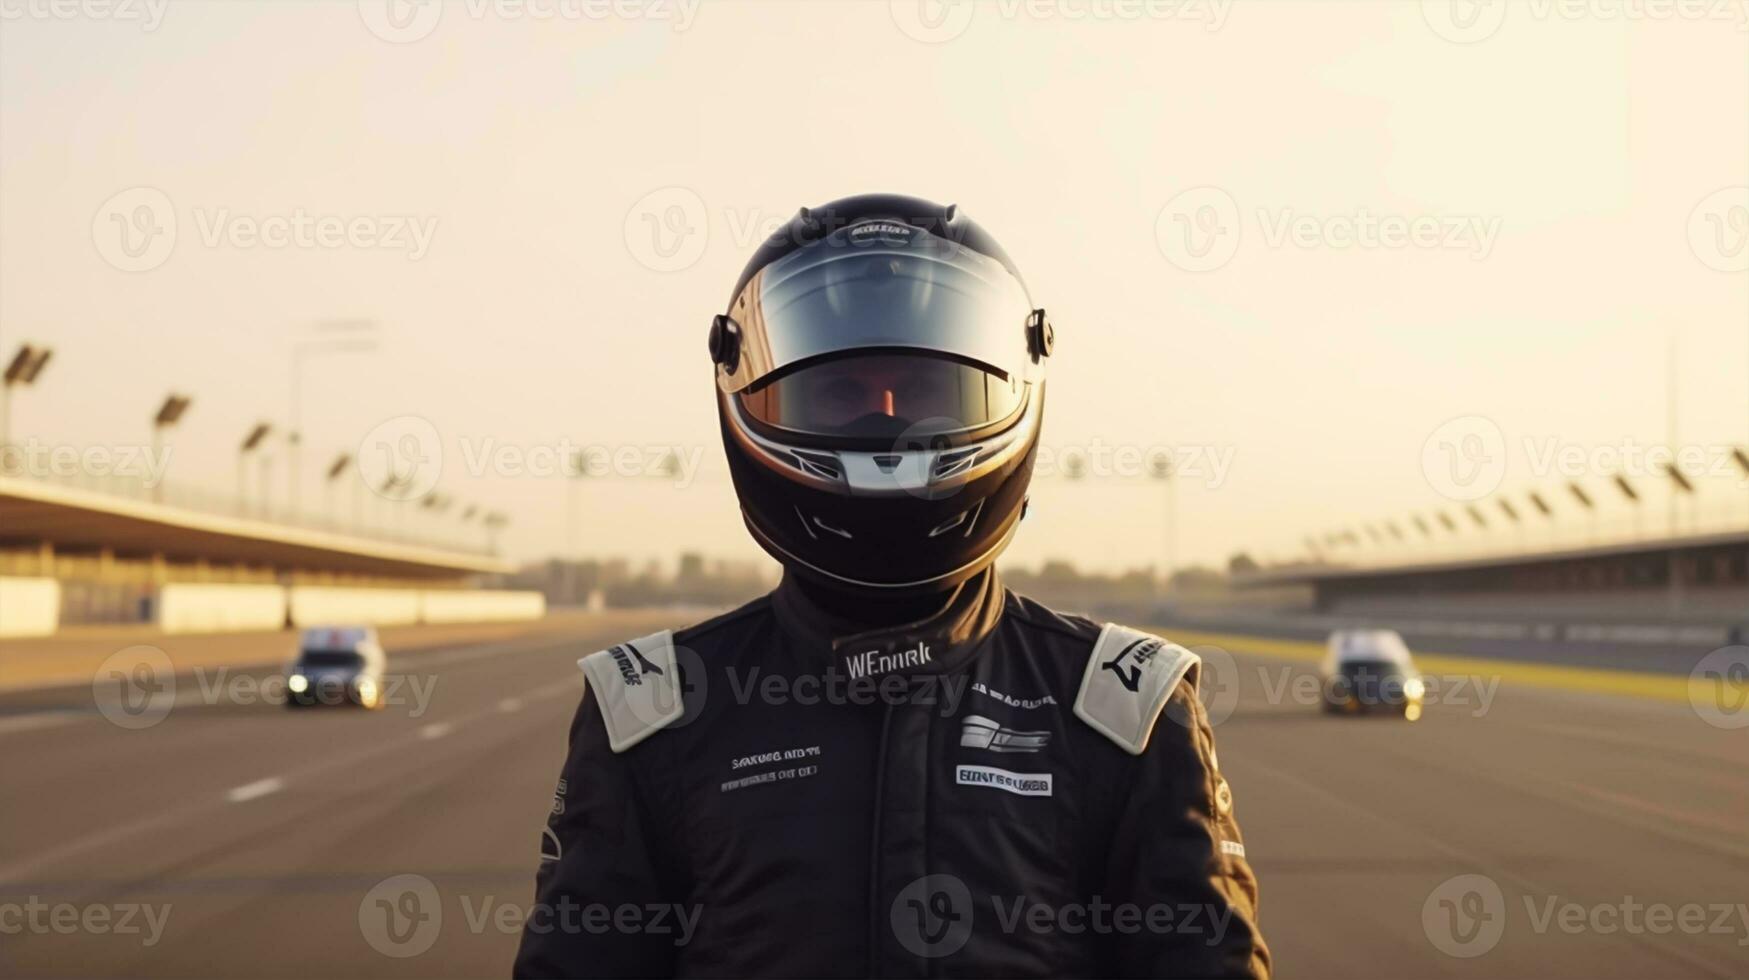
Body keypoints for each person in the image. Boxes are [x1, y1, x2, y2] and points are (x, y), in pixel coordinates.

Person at [513, 194, 1270, 978]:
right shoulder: (652, 714)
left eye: (922, 393)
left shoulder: (1126, 708)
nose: (886, 425)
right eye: (841, 396)